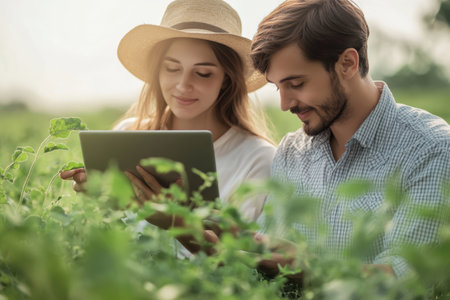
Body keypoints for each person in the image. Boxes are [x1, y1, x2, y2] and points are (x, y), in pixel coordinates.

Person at [246, 0, 450, 279]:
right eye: (278, 86)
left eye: (296, 84)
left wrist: (307, 267)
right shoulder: (291, 152)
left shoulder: (431, 150)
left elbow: (406, 280)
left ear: (347, 63)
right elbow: (266, 252)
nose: (284, 104)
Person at [60, 0, 276, 231]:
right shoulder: (128, 135)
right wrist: (97, 196)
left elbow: (245, 256)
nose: (183, 85)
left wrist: (178, 222)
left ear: (226, 79)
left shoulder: (257, 158)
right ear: (157, 71)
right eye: (172, 69)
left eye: (202, 73)